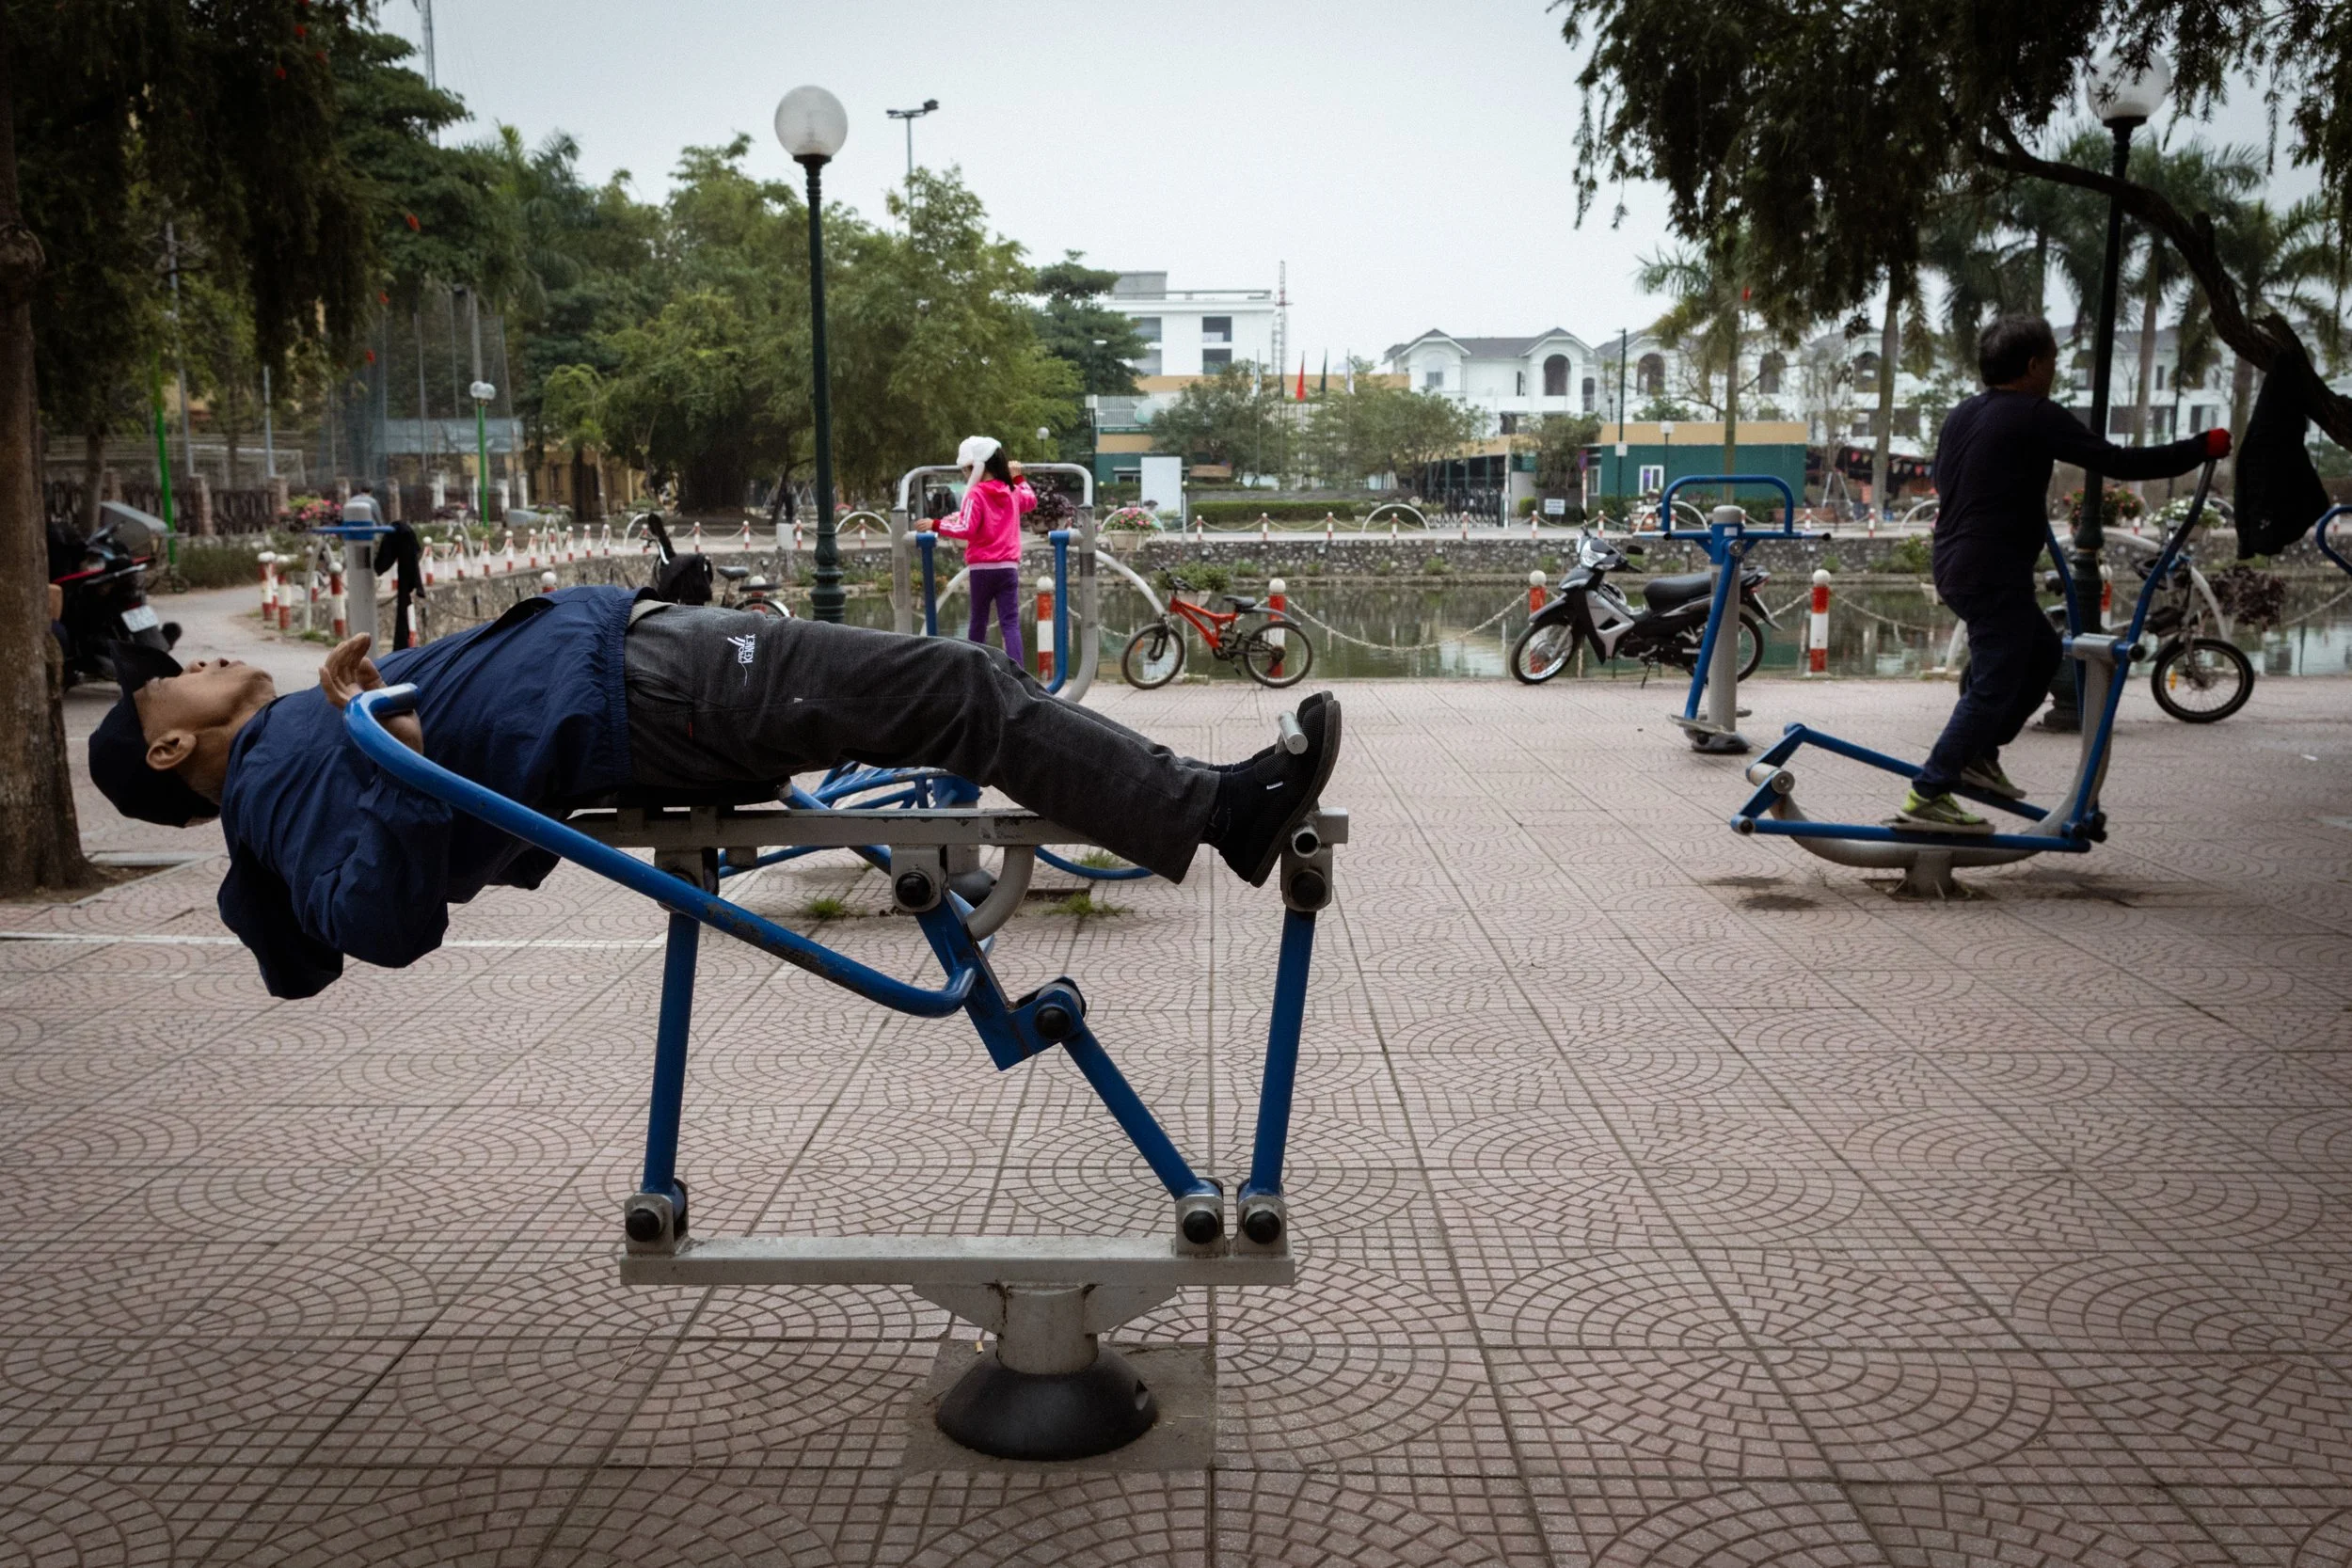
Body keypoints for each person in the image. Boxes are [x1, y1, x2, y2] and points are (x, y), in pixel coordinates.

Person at [85, 587, 1341, 1000]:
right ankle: (1214, 812)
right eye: (168, 687)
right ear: (166, 755)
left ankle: (1207, 807)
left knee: (953, 684)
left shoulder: (291, 739)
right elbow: (376, 924)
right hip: (651, 693)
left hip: (644, 670)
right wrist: (396, 741)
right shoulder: (274, 779)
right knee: (958, 686)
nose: (192, 663)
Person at [1896, 317, 2227, 832]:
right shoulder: (2034, 414)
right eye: (2051, 360)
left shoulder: (1963, 414)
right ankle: (1930, 791)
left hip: (1957, 562)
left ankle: (1980, 756)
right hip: (1989, 569)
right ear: (2033, 366)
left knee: (2044, 654)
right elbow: (2117, 461)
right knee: (1993, 680)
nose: (2053, 370)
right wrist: (2199, 448)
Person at [935, 435, 1035, 667]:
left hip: (982, 568)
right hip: (1008, 567)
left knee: (978, 621)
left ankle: (976, 669)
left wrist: (936, 524)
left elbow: (965, 527)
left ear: (975, 468)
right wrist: (1018, 476)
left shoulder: (976, 494)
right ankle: (1018, 673)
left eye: (965, 470)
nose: (965, 475)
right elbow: (1030, 500)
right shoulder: (1012, 490)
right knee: (1010, 623)